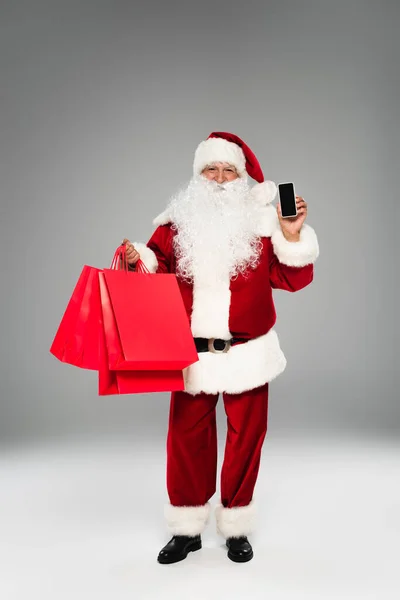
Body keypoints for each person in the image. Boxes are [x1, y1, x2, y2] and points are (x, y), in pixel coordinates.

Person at [122, 132, 319, 564]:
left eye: (229, 170)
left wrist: (290, 235)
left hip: (248, 351)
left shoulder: (263, 224)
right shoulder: (175, 223)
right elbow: (155, 268)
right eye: (211, 169)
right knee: (186, 439)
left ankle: (235, 525)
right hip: (191, 353)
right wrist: (139, 258)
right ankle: (188, 529)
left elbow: (293, 280)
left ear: (241, 178)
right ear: (198, 175)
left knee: (246, 438)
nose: (219, 178)